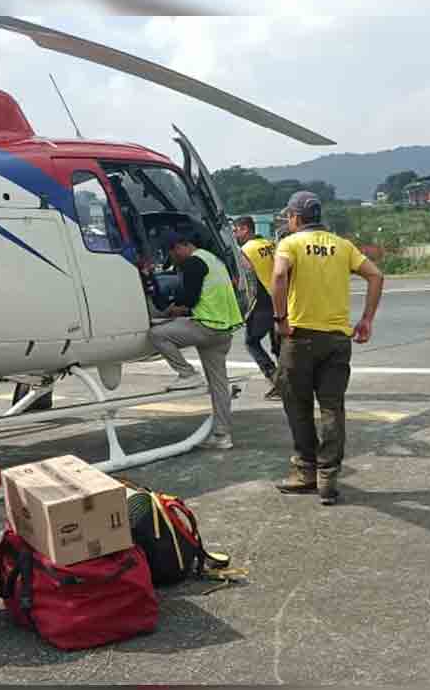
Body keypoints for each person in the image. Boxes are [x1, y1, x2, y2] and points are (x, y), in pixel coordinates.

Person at [270, 191, 384, 506]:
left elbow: (279, 275)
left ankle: (305, 470)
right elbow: (376, 276)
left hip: (300, 337)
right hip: (336, 340)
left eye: (289, 217)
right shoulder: (343, 246)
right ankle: (328, 477)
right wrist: (366, 320)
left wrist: (280, 318)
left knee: (297, 405)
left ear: (295, 217)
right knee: (332, 407)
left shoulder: (289, 244)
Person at [146, 231, 243, 450]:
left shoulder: (192, 262)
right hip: (224, 330)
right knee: (219, 385)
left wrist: (171, 311)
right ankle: (222, 436)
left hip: (206, 326)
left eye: (172, 254)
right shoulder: (213, 259)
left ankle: (187, 374)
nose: (174, 260)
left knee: (157, 335)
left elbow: (189, 299)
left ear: (179, 247)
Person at [232, 216, 281, 398]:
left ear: (245, 229)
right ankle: (288, 381)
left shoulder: (245, 250)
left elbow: (244, 279)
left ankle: (275, 378)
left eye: (236, 230)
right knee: (278, 345)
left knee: (251, 342)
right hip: (279, 299)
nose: (235, 234)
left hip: (262, 301)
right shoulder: (269, 244)